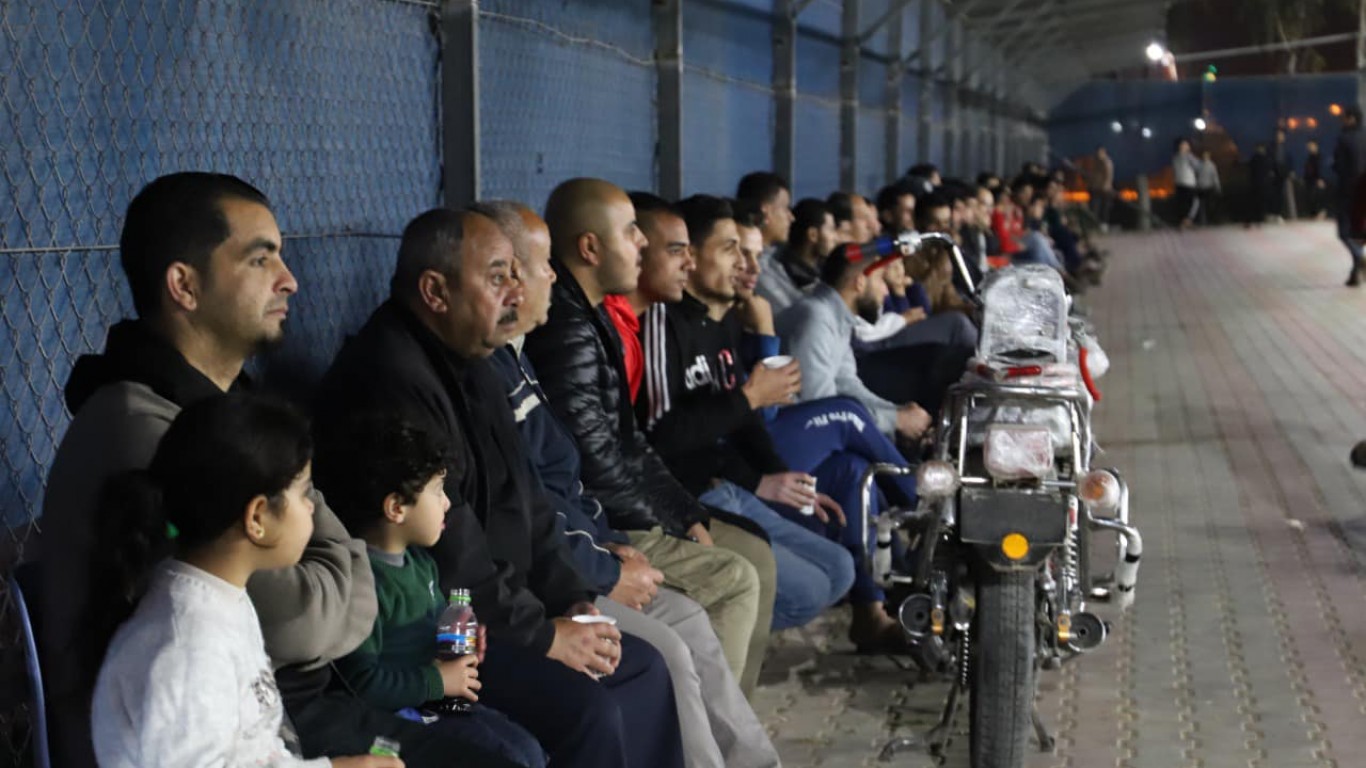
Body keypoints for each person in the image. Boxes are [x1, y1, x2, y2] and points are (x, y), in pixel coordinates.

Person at [36, 172, 507, 768]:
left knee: (503, 748)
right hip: (260, 728)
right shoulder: (152, 430)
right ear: (184, 285)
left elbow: (338, 596)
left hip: (287, 716)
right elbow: (301, 624)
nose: (290, 279)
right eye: (261, 260)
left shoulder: (231, 408)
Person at [312, 207, 684, 768]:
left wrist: (571, 599)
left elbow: (530, 500)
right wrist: (544, 637)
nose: (516, 290)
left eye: (515, 272)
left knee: (645, 667)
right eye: (495, 276)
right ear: (435, 292)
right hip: (446, 625)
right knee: (586, 711)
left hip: (508, 605)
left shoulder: (478, 359)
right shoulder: (389, 378)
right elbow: (452, 549)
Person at [481, 199, 782, 768]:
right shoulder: (559, 336)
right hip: (563, 569)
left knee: (734, 583)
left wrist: (672, 518)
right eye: (634, 236)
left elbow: (596, 463)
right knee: (707, 606)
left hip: (601, 535)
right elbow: (578, 480)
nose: (546, 279)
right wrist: (608, 563)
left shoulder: (541, 344)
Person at [88, 394, 403, 768]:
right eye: (303, 493)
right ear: (257, 518)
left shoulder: (220, 597)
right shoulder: (188, 647)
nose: (311, 507)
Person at [633, 194, 856, 631]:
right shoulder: (661, 320)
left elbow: (744, 421)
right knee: (806, 589)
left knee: (840, 568)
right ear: (692, 256)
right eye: (730, 248)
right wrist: (750, 401)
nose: (743, 264)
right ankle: (715, 645)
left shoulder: (724, 321)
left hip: (727, 485)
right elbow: (663, 436)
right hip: (688, 495)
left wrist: (777, 477)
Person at [316, 414, 547, 768]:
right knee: (508, 757)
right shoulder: (365, 584)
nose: (447, 503)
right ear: (396, 508)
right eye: (438, 491)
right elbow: (363, 684)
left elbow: (435, 636)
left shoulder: (421, 563)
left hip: (441, 702)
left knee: (529, 749)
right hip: (403, 721)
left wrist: (461, 640)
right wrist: (437, 681)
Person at [755, 198, 839, 313]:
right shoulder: (774, 269)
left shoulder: (824, 271)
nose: (836, 237)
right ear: (813, 235)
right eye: (831, 229)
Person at [1333, 106, 1366, 286]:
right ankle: (1355, 274)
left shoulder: (1344, 139)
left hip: (1348, 192)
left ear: (1351, 118)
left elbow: (1339, 167)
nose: (1342, 121)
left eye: (1344, 117)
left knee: (1343, 232)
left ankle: (1360, 258)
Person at [1172, 138, 1200, 229]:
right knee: (1194, 202)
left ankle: (1184, 222)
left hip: (1179, 182)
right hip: (1188, 182)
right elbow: (1198, 166)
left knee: (1183, 203)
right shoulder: (1188, 156)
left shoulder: (1175, 157)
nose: (1187, 146)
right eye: (1185, 144)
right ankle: (1187, 221)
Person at [1087, 146, 1114, 230]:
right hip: (1095, 188)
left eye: (1101, 153)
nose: (1099, 155)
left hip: (1104, 189)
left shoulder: (1107, 162)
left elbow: (1109, 174)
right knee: (1094, 206)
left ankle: (1104, 224)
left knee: (1105, 207)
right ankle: (1094, 223)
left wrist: (1106, 185)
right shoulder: (1095, 162)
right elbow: (1092, 174)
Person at [1196, 149, 1221, 226]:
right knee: (1201, 205)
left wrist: (1217, 186)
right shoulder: (1199, 165)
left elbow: (1215, 176)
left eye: (1207, 155)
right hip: (1200, 188)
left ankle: (1211, 220)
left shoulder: (1212, 165)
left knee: (1209, 205)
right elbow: (1196, 175)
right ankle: (1203, 221)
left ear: (1209, 156)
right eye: (1204, 155)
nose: (1205, 157)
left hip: (1209, 187)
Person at [1305, 140, 1328, 220]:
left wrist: (1320, 179)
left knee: (1318, 196)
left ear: (1316, 146)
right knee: (1311, 197)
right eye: (1309, 146)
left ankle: (1321, 212)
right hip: (1310, 181)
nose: (1310, 148)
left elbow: (1320, 169)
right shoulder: (1309, 157)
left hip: (1317, 180)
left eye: (1311, 146)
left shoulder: (1319, 157)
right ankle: (1313, 213)